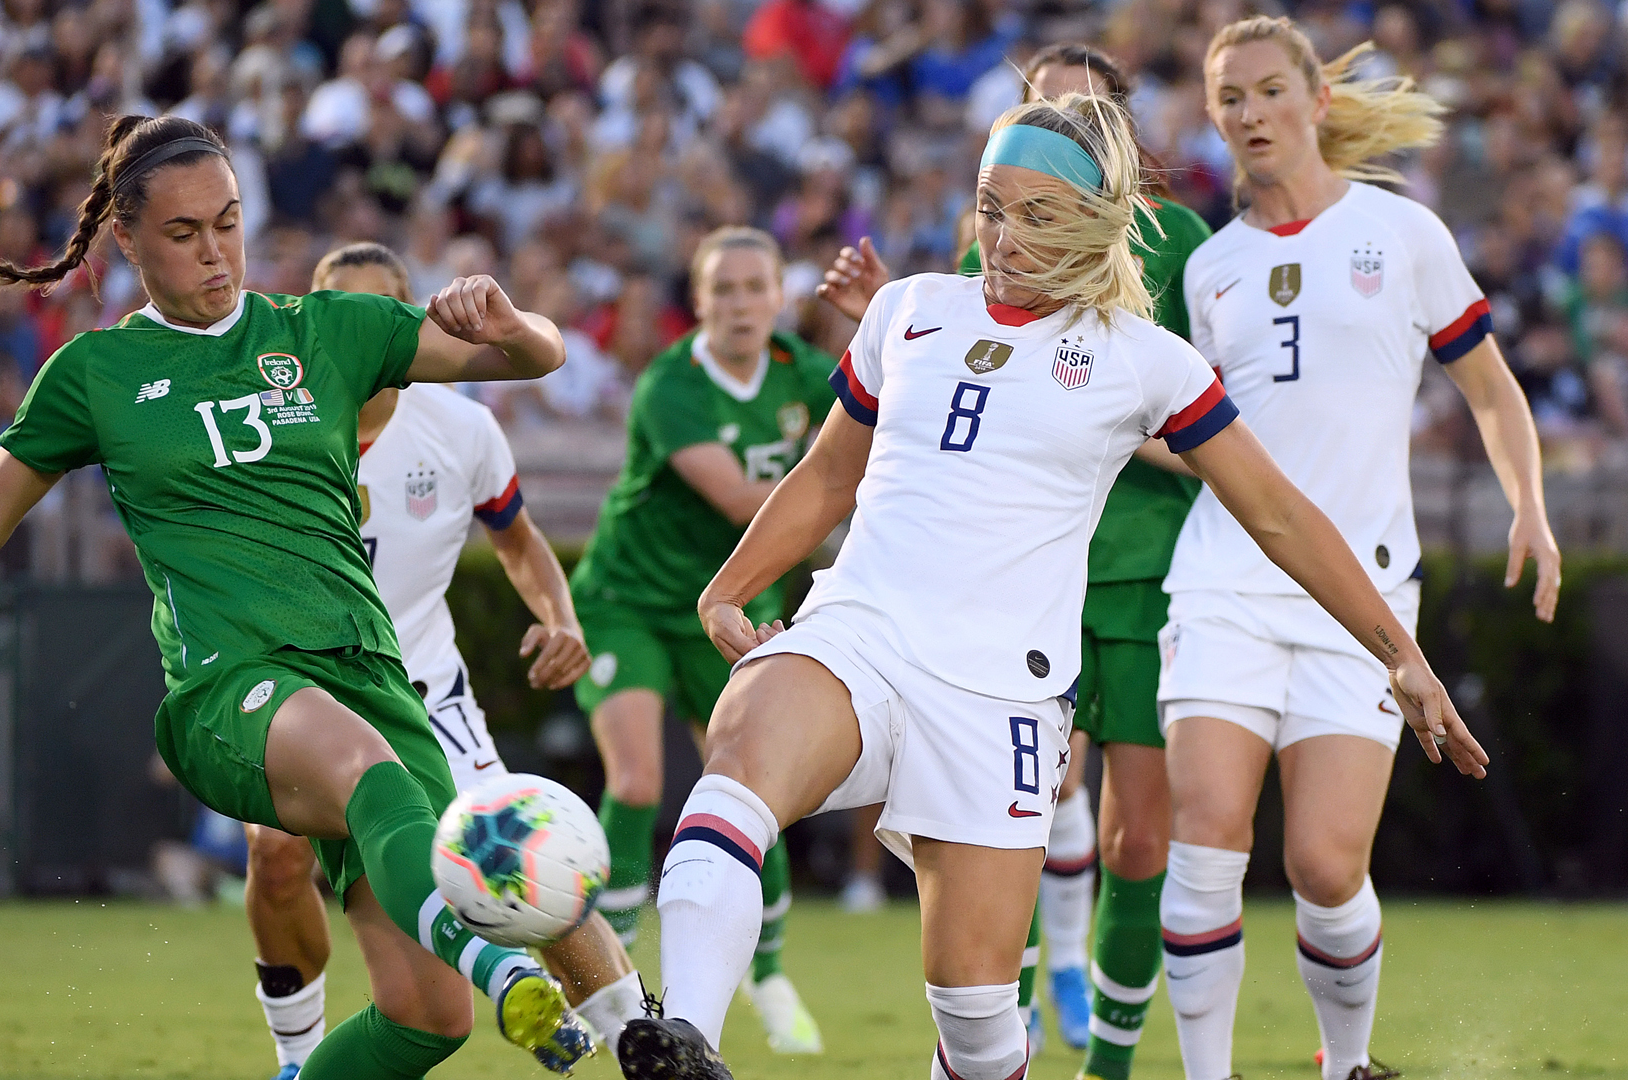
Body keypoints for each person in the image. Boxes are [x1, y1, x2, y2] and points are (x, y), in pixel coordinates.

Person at [613, 90, 1490, 1080]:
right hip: (859, 631)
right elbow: (825, 475)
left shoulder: (1146, 361)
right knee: (743, 746)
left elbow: (1282, 515)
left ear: (1091, 223)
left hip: (1001, 699)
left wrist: (1402, 657)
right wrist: (728, 591)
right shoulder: (907, 311)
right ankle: (686, 1039)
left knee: (981, 1020)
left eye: (1035, 214)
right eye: (992, 205)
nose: (1003, 234)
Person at [0, 114, 598, 1080]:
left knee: (425, 1019)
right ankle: (497, 965)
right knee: (373, 781)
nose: (215, 252)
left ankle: (465, 982)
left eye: (228, 223)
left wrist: (512, 322)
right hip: (229, 688)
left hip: (372, 677)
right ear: (127, 238)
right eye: (185, 233)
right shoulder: (95, 374)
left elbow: (537, 358)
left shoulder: (325, 330)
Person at [1157, 19, 1559, 1080]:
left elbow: (1488, 386)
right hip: (1224, 583)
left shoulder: (1404, 233)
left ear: (1316, 101)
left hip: (1365, 598)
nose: (1248, 113)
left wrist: (1531, 505)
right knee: (1204, 836)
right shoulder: (1211, 269)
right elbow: (1193, 440)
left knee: (1326, 865)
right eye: (1227, 97)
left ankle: (1348, 1066)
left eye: (1266, 90)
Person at [815, 42, 1215, 1079]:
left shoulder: (1180, 245)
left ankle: (1105, 1045)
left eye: (1080, 112)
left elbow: (1219, 420)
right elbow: (944, 397)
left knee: (1138, 836)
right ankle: (1008, 1014)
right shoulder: (984, 245)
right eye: (1037, 107)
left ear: (1121, 139)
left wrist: (1139, 432)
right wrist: (864, 319)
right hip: (1003, 571)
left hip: (1138, 564)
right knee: (1021, 798)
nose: (1053, 128)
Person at [238, 241, 645, 1080]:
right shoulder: (263, 429)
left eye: (381, 308)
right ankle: (298, 1058)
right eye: (339, 309)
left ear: (411, 317)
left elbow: (522, 544)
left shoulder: (462, 428)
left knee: (523, 851)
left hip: (427, 694)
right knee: (274, 858)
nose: (361, 329)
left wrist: (559, 616)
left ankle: (644, 1039)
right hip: (305, 696)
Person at [570, 224, 837, 1055]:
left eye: (756, 286)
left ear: (780, 296)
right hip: (632, 600)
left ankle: (771, 975)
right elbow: (738, 500)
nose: (742, 303)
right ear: (700, 300)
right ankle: (610, 990)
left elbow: (866, 443)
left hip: (738, 602)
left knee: (762, 791)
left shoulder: (803, 374)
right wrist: (836, 489)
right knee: (640, 778)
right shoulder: (670, 384)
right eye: (724, 288)